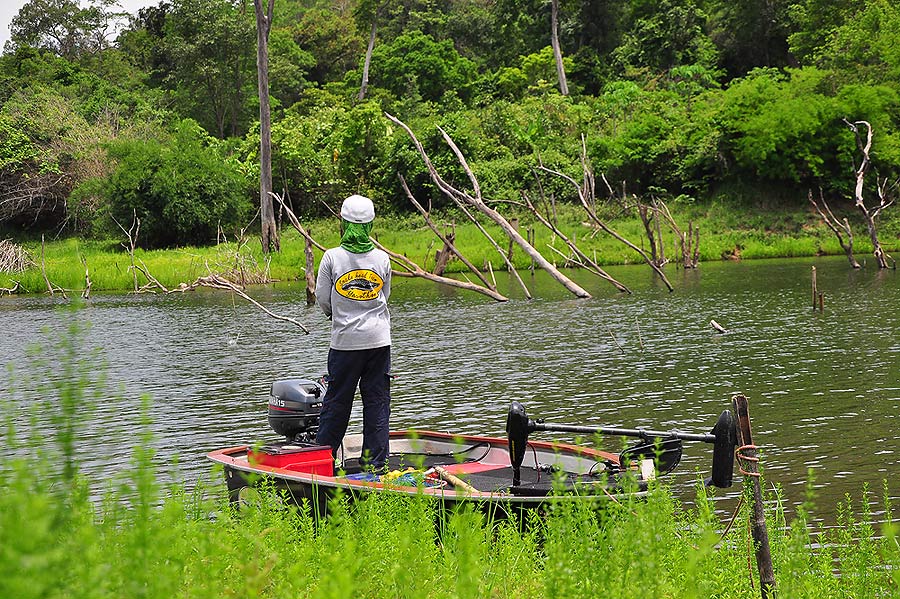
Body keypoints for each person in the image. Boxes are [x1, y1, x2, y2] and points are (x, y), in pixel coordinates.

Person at [315, 194, 392, 471]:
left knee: (336, 403)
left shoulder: (331, 258)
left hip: (345, 344)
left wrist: (339, 316)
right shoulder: (382, 259)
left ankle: (323, 461)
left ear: (343, 223)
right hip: (378, 342)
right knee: (377, 402)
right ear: (370, 225)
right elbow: (385, 295)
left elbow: (323, 298)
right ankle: (376, 464)